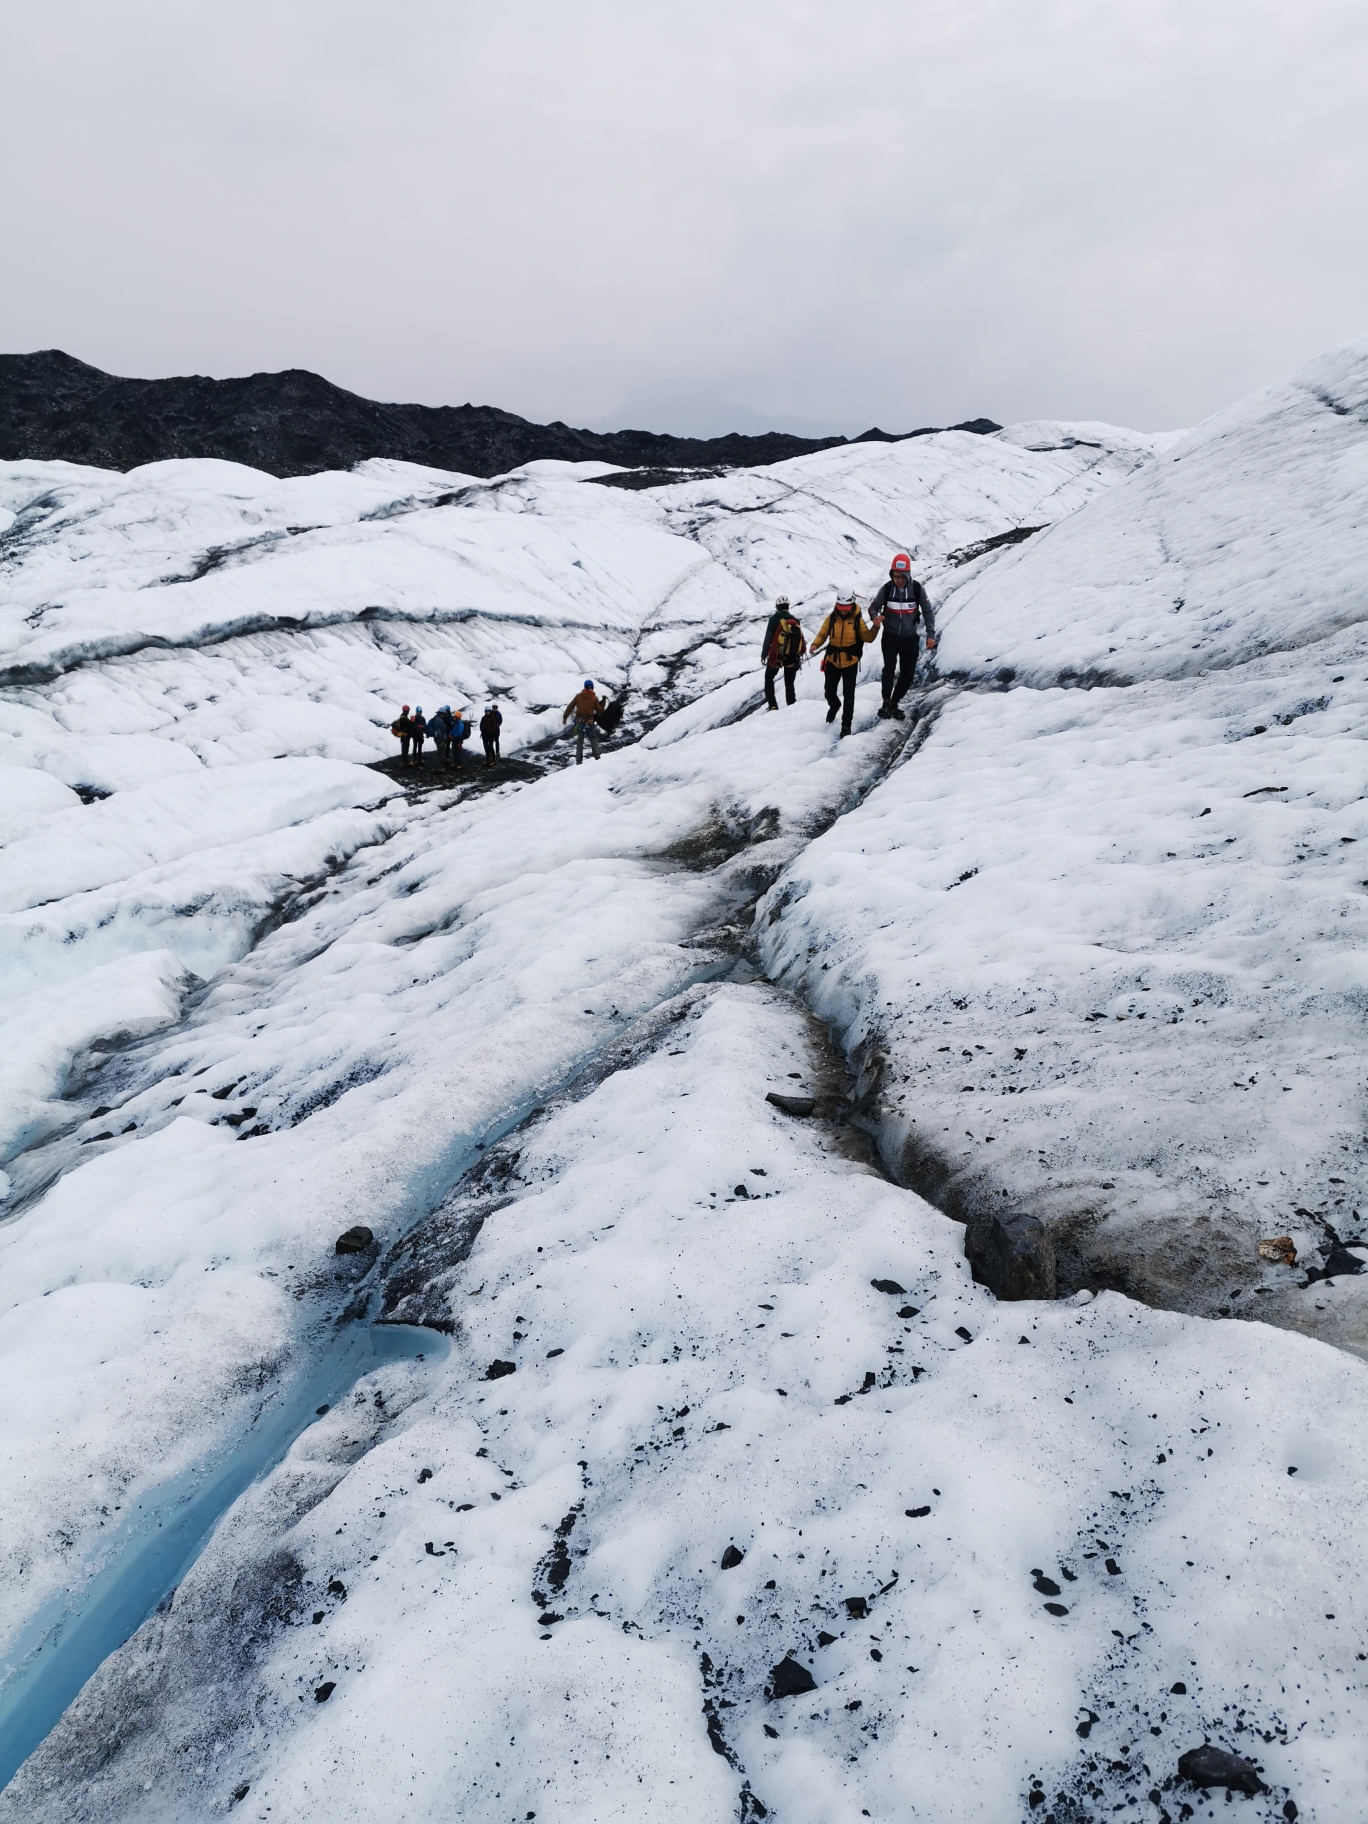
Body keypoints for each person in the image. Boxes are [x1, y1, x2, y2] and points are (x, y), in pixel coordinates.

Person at [869, 552, 937, 720]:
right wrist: (875, 618)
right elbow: (873, 607)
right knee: (889, 667)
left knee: (907, 675)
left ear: (908, 574)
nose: (898, 579)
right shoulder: (886, 589)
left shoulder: (917, 589)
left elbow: (928, 612)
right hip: (890, 636)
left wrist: (931, 634)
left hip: (910, 637)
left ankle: (894, 703)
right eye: (895, 575)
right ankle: (885, 702)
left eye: (901, 576)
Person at [809, 593, 881, 737]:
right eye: (840, 606)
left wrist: (875, 626)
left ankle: (846, 726)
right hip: (832, 660)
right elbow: (823, 634)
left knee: (849, 696)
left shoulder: (857, 620)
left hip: (850, 662)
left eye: (846, 607)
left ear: (852, 605)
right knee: (829, 691)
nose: (843, 610)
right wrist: (815, 644)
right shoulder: (831, 618)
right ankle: (834, 705)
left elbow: (867, 637)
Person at [760, 595, 806, 709]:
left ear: (777, 607)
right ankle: (791, 705)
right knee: (789, 683)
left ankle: (773, 706)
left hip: (777, 656)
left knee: (769, 678)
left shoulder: (774, 620)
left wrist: (764, 654)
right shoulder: (795, 620)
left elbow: (768, 638)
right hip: (792, 657)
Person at [563, 678, 605, 763]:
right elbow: (599, 711)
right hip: (589, 721)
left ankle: (578, 760)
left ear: (585, 687)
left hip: (579, 720)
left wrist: (565, 717)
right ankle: (596, 756)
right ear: (592, 688)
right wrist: (603, 702)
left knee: (580, 740)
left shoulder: (578, 696)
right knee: (592, 738)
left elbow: (570, 707)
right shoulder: (594, 698)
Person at [480, 703, 503, 768]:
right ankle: (487, 758)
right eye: (486, 711)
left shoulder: (493, 718)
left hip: (490, 734)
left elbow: (494, 726)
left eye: (488, 711)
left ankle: (493, 758)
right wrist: (482, 730)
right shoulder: (483, 718)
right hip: (484, 734)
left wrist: (489, 731)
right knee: (485, 746)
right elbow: (481, 725)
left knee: (490, 746)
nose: (487, 712)